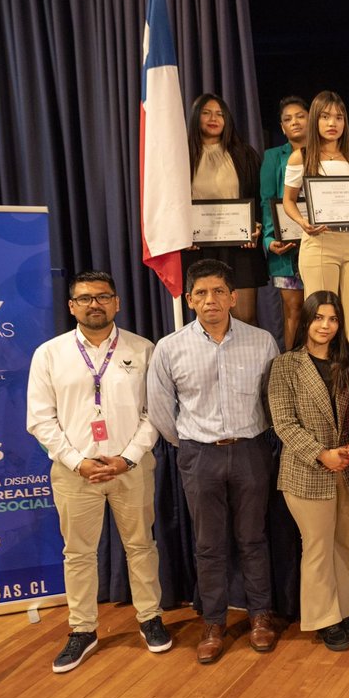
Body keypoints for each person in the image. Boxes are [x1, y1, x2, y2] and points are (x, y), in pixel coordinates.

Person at [26, 271, 169, 673]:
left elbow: (154, 414)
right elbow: (40, 419)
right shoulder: (49, 354)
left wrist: (127, 458)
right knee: (78, 553)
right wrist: (77, 461)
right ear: (72, 306)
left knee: (141, 546)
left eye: (103, 296)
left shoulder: (143, 350)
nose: (95, 304)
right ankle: (83, 630)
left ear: (117, 302)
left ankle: (149, 618)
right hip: (75, 473)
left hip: (131, 468)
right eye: (85, 298)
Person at [147, 259, 281, 664]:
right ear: (190, 300)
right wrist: (189, 444)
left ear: (233, 297)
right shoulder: (170, 348)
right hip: (199, 454)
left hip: (251, 452)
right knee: (208, 545)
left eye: (219, 291)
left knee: (254, 539)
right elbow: (159, 410)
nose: (211, 300)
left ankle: (260, 616)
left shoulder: (262, 341)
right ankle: (214, 621)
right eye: (202, 293)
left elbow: (273, 400)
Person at [268, 291, 349, 653]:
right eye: (318, 318)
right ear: (306, 321)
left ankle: (347, 610)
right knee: (318, 546)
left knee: (346, 542)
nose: (325, 326)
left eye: (333, 318)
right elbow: (283, 422)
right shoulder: (286, 365)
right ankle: (324, 619)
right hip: (306, 471)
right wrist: (321, 454)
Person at [282, 90, 349, 356]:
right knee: (320, 317)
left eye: (338, 117)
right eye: (325, 117)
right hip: (319, 241)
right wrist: (303, 222)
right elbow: (288, 200)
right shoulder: (301, 156)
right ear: (315, 120)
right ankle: (321, 381)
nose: (332, 123)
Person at [186, 93, 266, 325]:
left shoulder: (245, 154)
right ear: (195, 117)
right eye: (207, 113)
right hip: (199, 249)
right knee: (207, 320)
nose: (214, 118)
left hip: (240, 248)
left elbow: (258, 196)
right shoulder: (182, 155)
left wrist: (256, 226)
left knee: (245, 319)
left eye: (220, 114)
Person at [260, 95, 309, 349]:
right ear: (282, 127)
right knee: (294, 311)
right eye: (288, 119)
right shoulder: (272, 157)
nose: (295, 122)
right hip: (285, 250)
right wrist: (270, 240)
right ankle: (293, 371)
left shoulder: (329, 153)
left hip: (322, 243)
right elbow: (267, 202)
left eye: (300, 116)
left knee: (325, 309)